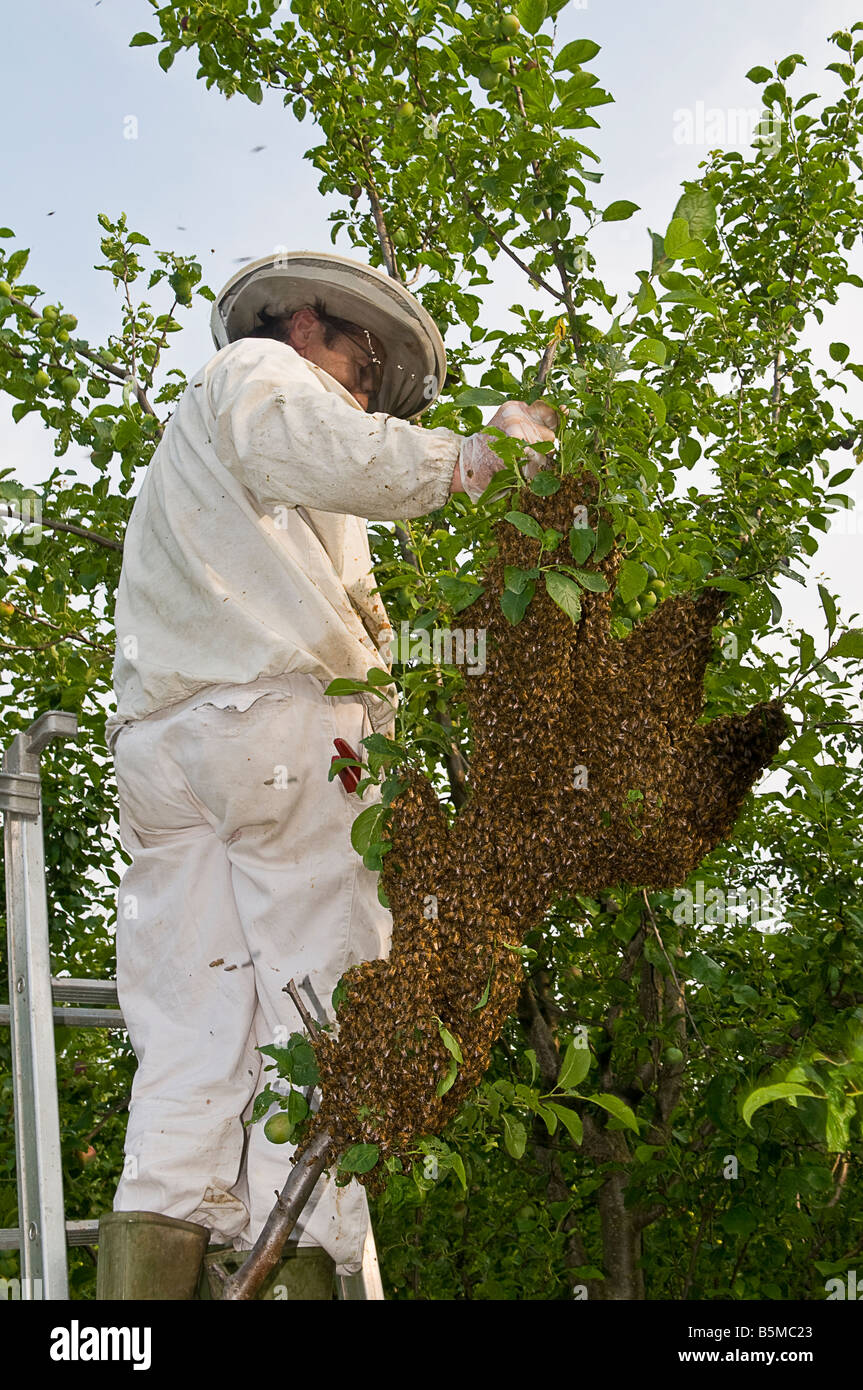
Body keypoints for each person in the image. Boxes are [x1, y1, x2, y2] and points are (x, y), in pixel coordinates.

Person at [97, 250, 558, 1300]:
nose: (358, 399)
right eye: (358, 371)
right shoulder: (262, 377)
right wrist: (468, 456)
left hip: (168, 757)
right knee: (324, 1030)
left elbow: (348, 589)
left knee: (190, 1039)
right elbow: (322, 443)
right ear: (307, 325)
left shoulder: (199, 456)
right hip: (274, 729)